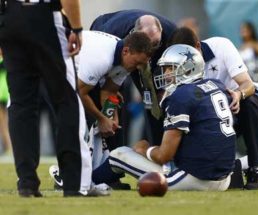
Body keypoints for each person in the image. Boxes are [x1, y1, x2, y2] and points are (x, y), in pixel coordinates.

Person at [0, 0, 106, 197]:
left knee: (21, 104)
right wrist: (77, 27)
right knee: (66, 101)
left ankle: (27, 182)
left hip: (9, 18)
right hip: (45, 18)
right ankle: (74, 184)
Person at [108, 44, 236, 191]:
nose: (166, 74)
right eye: (165, 69)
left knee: (118, 155)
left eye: (171, 68)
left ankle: (95, 181)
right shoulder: (216, 85)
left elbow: (164, 156)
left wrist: (144, 150)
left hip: (196, 178)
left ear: (189, 69)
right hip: (224, 178)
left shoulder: (181, 96)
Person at [49, 30, 153, 190]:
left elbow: (109, 91)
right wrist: (102, 119)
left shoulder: (126, 59)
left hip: (81, 77)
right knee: (81, 123)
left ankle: (103, 176)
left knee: (108, 125)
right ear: (126, 51)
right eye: (137, 62)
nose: (138, 68)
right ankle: (64, 175)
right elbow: (81, 93)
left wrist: (112, 117)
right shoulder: (102, 58)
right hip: (56, 65)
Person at [167, 27, 258, 190]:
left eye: (189, 55)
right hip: (202, 120)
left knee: (251, 103)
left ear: (198, 46)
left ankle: (255, 169)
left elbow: (248, 85)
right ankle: (235, 167)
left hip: (232, 111)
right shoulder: (177, 63)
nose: (186, 62)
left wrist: (238, 94)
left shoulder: (222, 46)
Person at [90, 9, 177, 146]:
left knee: (157, 100)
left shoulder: (172, 33)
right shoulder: (111, 35)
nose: (150, 51)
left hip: (152, 53)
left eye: (155, 45)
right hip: (115, 39)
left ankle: (160, 149)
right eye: (148, 46)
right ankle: (113, 148)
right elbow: (107, 88)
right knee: (114, 96)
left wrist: (164, 90)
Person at [0, 47, 11, 155]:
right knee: (4, 121)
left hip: (2, 90)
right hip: (5, 89)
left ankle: (8, 147)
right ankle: (8, 146)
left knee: (3, 121)